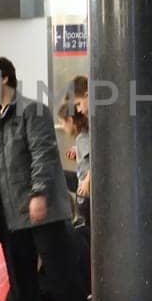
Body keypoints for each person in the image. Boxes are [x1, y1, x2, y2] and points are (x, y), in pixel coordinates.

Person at [0, 56, 92, 301]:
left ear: (4, 78)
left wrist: (39, 193)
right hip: (10, 209)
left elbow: (42, 154)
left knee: (58, 265)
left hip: (41, 208)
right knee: (19, 271)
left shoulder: (32, 111)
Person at [59, 76, 92, 230]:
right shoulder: (84, 136)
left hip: (88, 190)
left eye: (78, 104)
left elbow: (99, 159)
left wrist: (87, 180)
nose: (79, 110)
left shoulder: (84, 136)